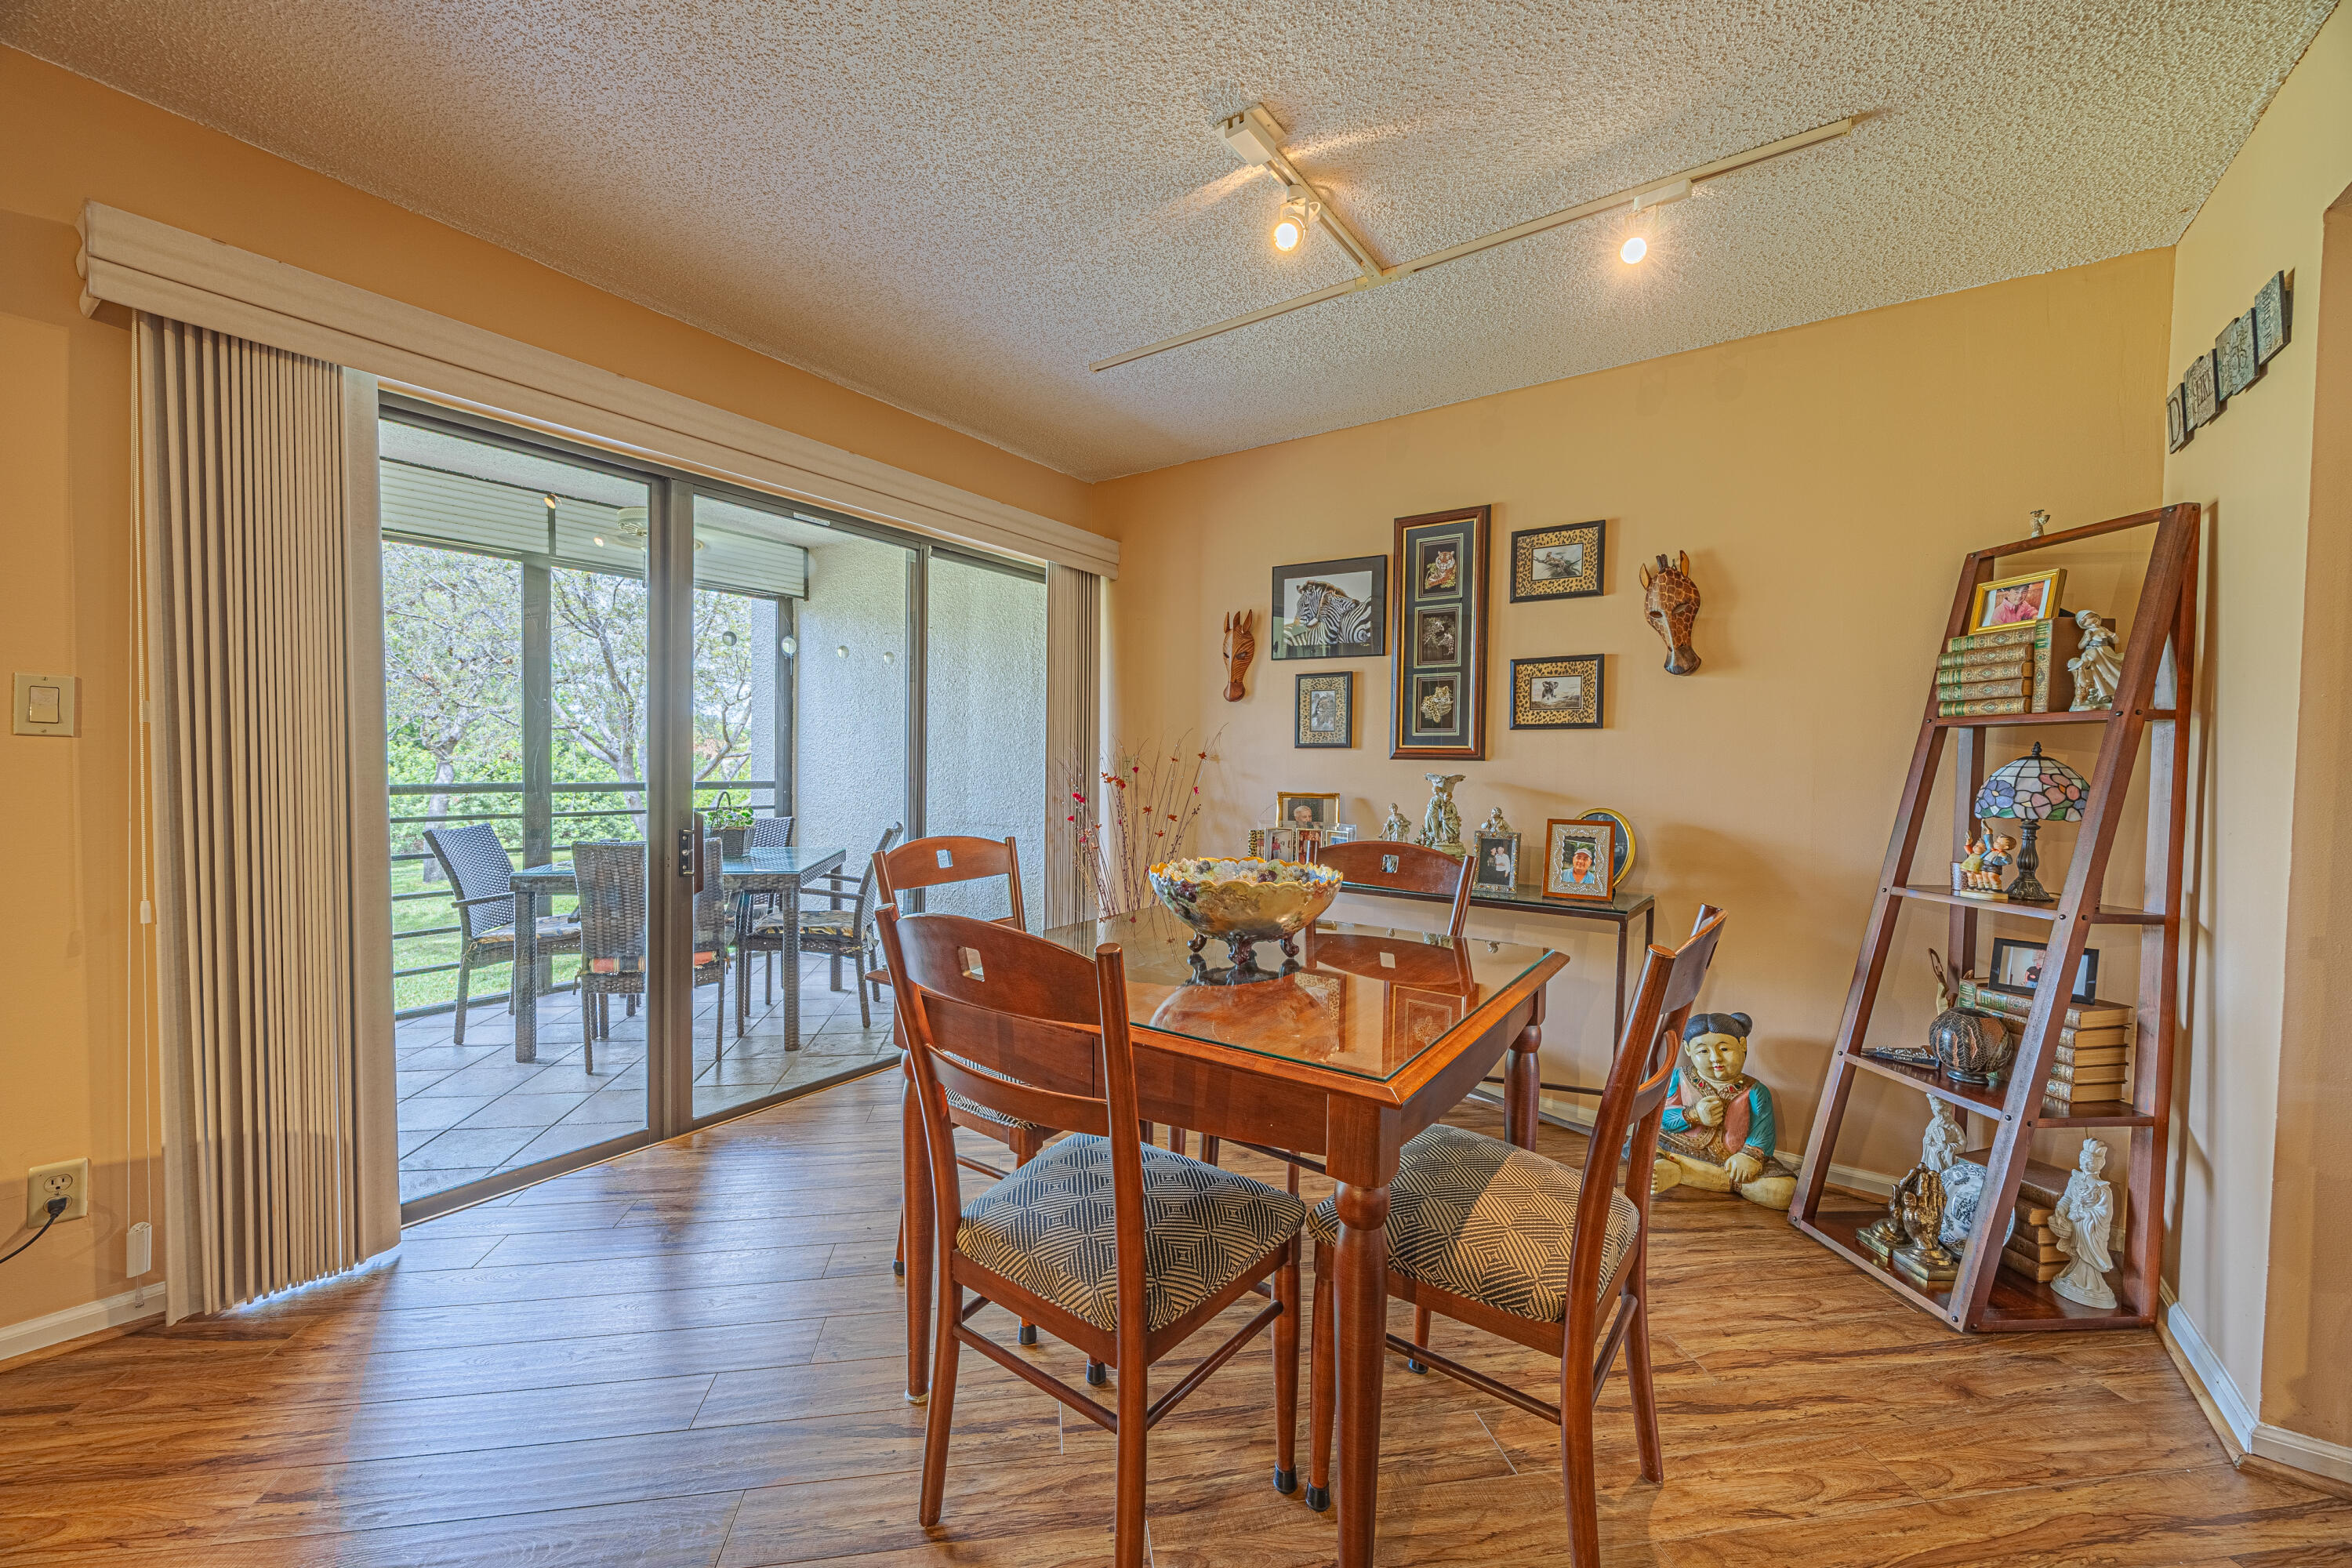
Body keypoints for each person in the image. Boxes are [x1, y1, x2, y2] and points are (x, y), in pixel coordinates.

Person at [1653, 1013, 1798, 1209]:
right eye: (1703, 1051)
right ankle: (1668, 1167)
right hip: (1677, 1147)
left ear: (1742, 1045)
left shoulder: (1755, 1090)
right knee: (1643, 1143)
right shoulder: (1679, 1078)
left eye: (1724, 1049)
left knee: (1785, 1191)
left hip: (1732, 1162)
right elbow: (1661, 1117)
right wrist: (1693, 1114)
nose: (1715, 1058)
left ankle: (1684, 1173)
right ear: (1688, 1049)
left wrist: (1749, 1156)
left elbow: (1763, 1133)